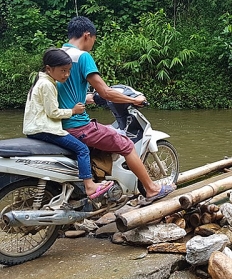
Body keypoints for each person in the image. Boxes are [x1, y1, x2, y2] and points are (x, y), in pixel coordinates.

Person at [57, 16, 175, 203]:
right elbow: (105, 91)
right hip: (77, 125)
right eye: (94, 39)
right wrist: (133, 100)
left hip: (58, 124)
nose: (93, 43)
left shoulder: (57, 56)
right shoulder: (83, 57)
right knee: (126, 145)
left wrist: (91, 99)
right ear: (87, 35)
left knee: (106, 132)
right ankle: (152, 189)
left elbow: (66, 92)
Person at [23, 48, 114, 199]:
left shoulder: (42, 81)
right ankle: (90, 186)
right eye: (63, 70)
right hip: (44, 129)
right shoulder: (47, 85)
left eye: (69, 70)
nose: (66, 75)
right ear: (49, 69)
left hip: (35, 128)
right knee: (82, 149)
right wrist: (73, 111)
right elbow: (53, 112)